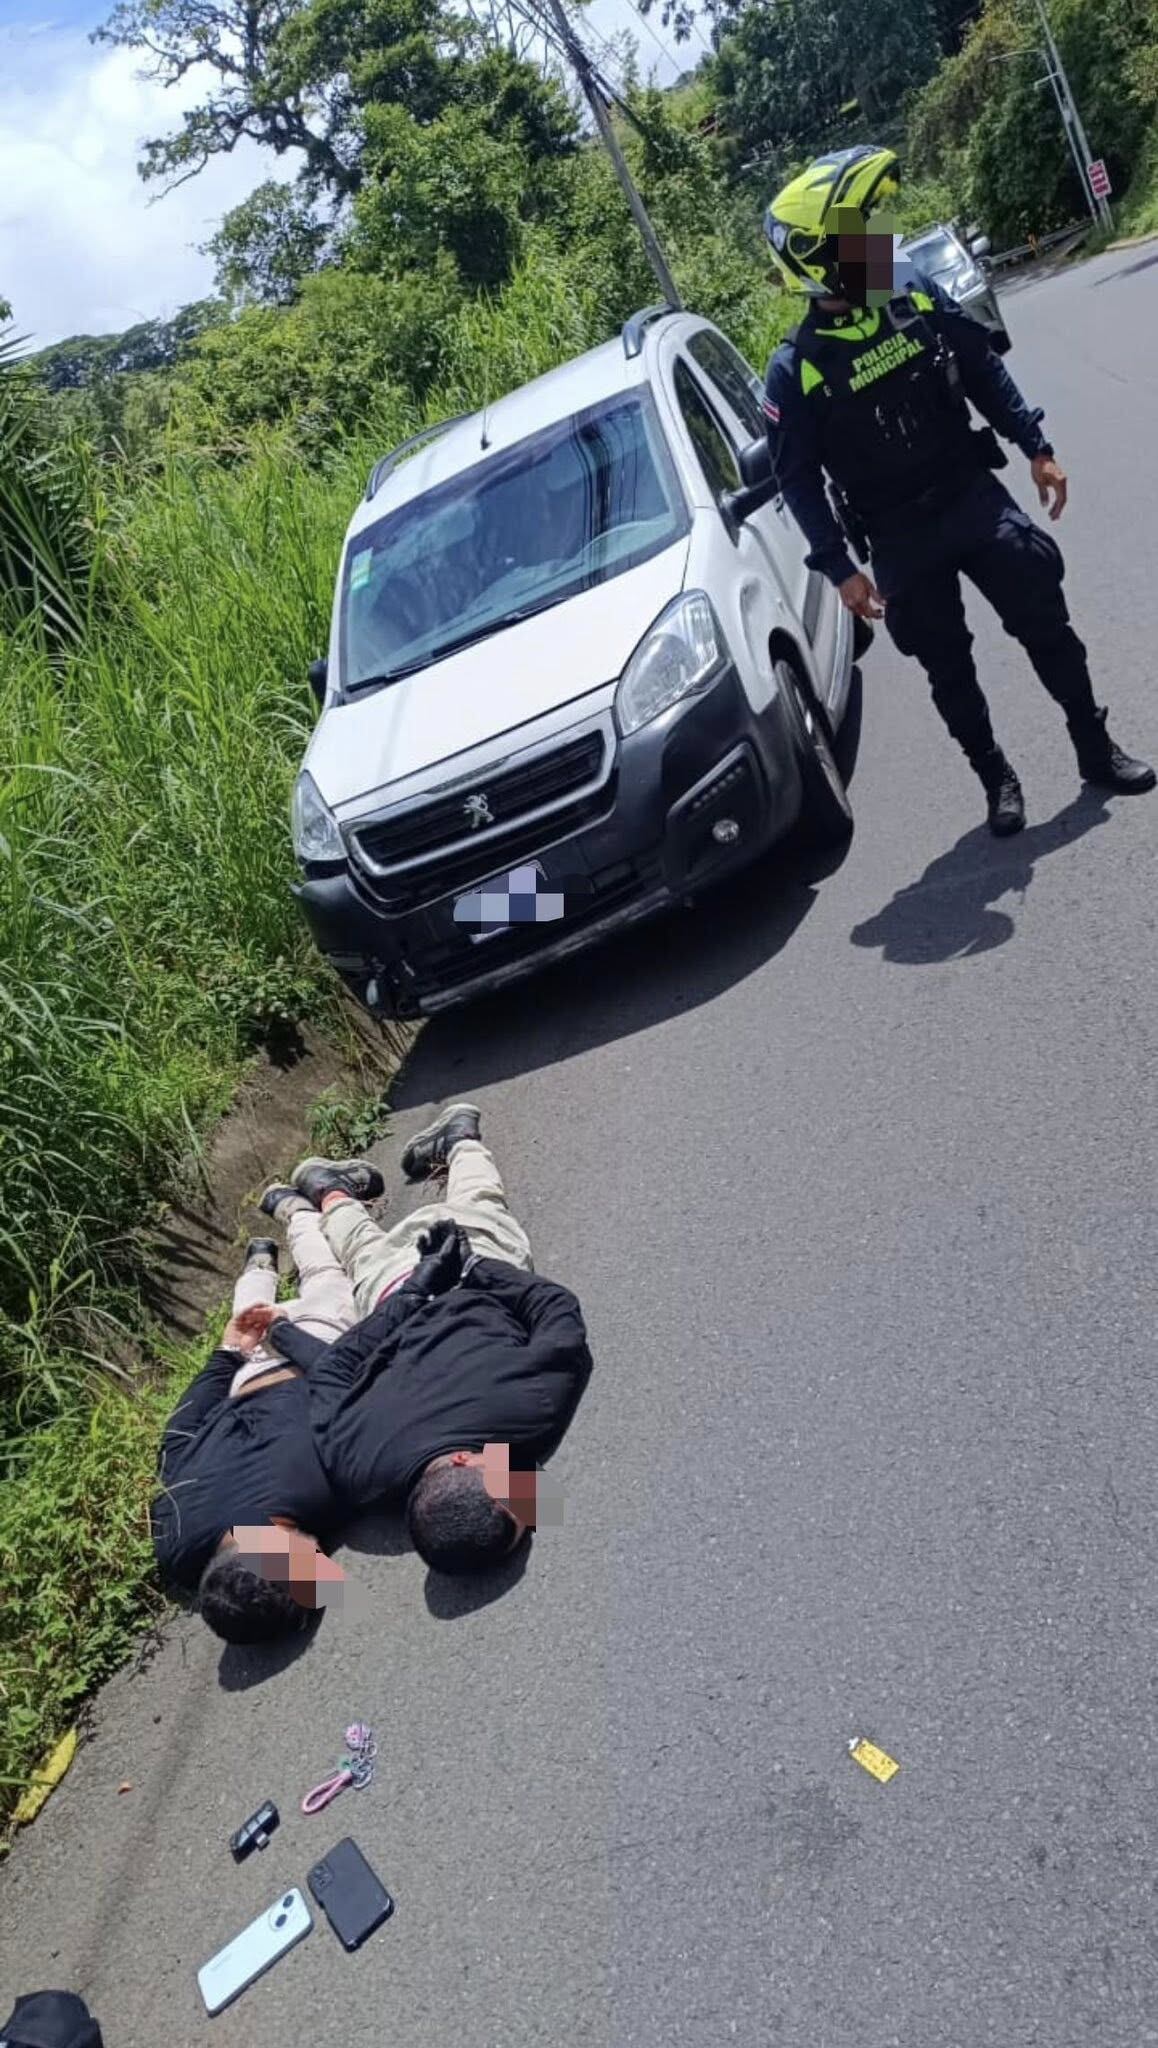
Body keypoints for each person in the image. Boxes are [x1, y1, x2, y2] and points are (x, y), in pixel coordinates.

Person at [761, 145, 1155, 837]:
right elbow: (795, 480)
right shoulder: (797, 370)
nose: (875, 243)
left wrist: (1037, 447)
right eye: (855, 234)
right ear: (815, 257)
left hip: (969, 493)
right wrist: (839, 567)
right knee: (947, 670)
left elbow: (980, 367)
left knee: (1044, 615)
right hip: (897, 533)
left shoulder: (909, 292)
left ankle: (1095, 748)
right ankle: (995, 778)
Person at [246, 1106, 593, 1576]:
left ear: (464, 1460)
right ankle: (327, 1190)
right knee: (363, 1250)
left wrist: (472, 1267)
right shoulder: (361, 1476)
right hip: (389, 1292)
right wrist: (404, 1297)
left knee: (481, 1202)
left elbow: (554, 1308)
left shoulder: (529, 1413)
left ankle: (460, 1138)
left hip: (466, 1271)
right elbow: (332, 1370)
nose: (527, 1493)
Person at [151, 1172, 376, 1643]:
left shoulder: (324, 1493)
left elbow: (352, 1392)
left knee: (327, 1279)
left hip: (311, 1353)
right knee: (248, 1323)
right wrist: (225, 1355)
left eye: (313, 1570)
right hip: (243, 1379)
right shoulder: (176, 1550)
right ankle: (258, 1264)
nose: (322, 1562)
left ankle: (297, 1211)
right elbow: (177, 1438)